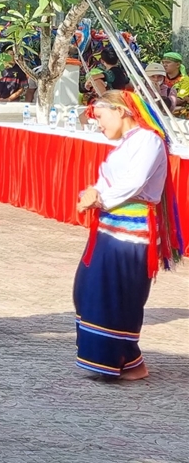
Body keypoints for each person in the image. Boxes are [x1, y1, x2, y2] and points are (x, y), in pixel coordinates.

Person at [73, 90, 184, 379]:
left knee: (116, 293)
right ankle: (125, 359)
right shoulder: (128, 143)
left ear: (120, 111)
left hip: (131, 233)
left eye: (100, 116)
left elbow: (134, 182)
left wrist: (98, 198)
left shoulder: (149, 140)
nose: (98, 123)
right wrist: (93, 192)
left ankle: (125, 360)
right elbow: (111, 181)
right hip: (110, 228)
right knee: (88, 288)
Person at [160, 52, 189, 118]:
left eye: (168, 62)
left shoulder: (185, 80)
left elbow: (179, 100)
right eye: (163, 62)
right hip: (162, 108)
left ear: (178, 65)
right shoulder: (160, 77)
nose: (164, 65)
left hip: (179, 112)